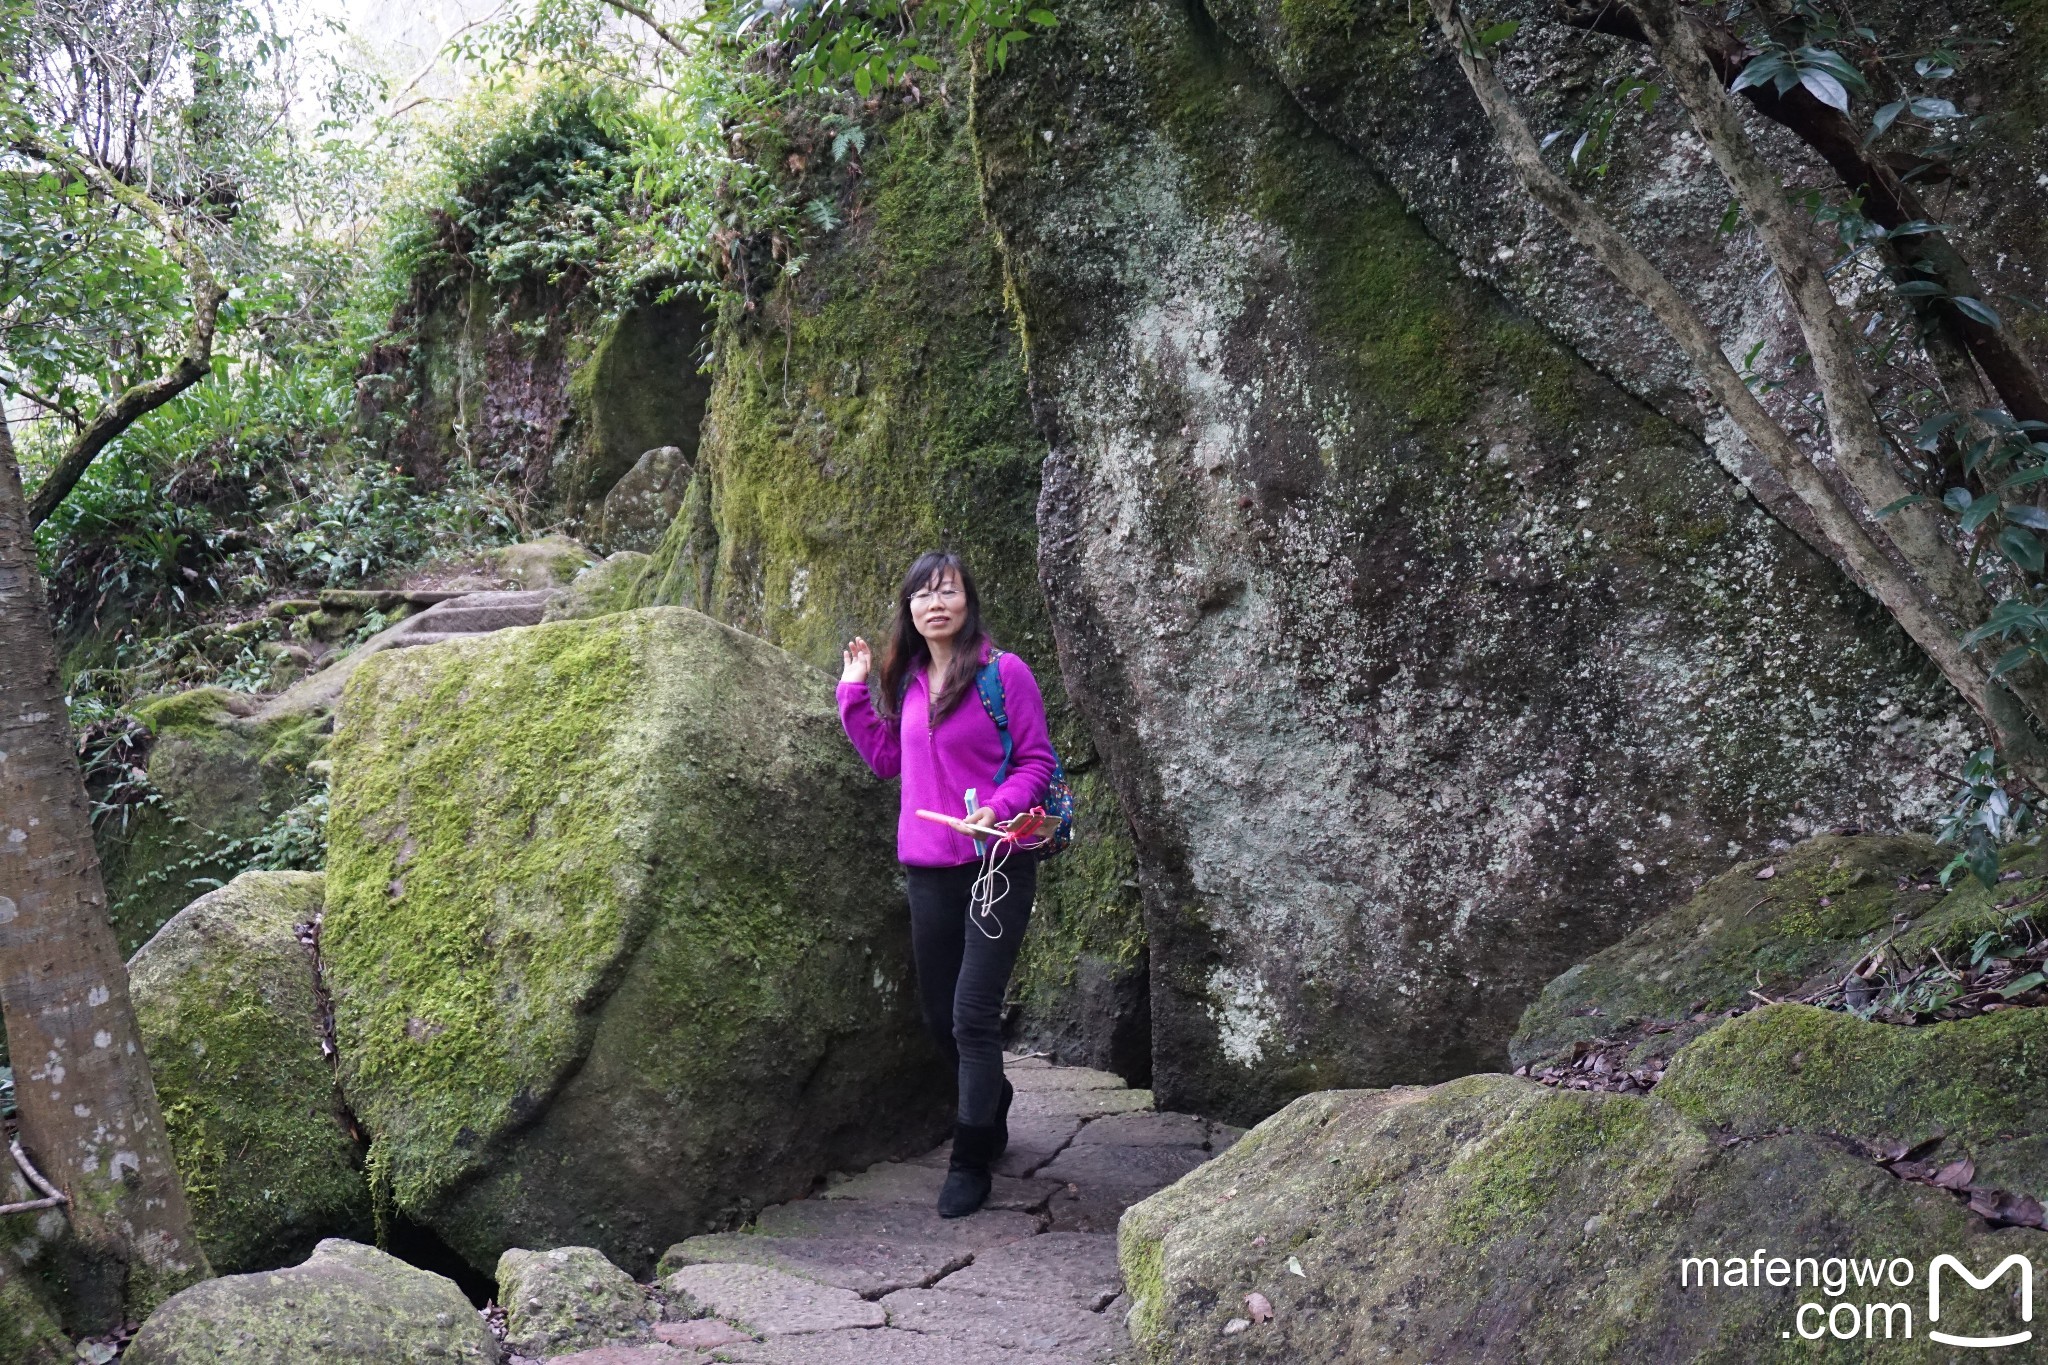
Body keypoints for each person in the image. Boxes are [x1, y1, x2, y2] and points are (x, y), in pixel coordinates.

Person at [838, 550, 1057, 1217]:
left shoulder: (1002, 673)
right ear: (909, 609)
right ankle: (992, 1099)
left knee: (971, 1014)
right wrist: (852, 691)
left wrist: (997, 805)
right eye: (924, 594)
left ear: (968, 601)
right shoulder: (904, 679)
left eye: (949, 591)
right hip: (928, 869)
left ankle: (970, 1157)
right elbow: (885, 760)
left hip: (995, 866)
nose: (937, 603)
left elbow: (1037, 760)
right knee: (940, 1019)